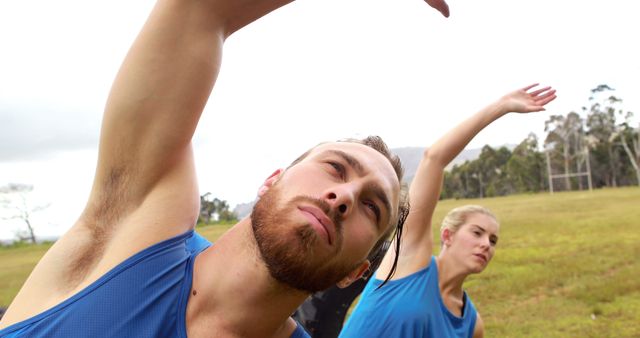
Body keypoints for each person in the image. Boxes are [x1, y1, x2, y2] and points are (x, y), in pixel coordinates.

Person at [0, 0, 461, 336]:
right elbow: (196, 11)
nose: (344, 197)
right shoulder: (133, 228)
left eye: (371, 207)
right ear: (271, 181)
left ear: (356, 274)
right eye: (336, 168)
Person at [338, 84, 557, 338]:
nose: (486, 244)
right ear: (447, 236)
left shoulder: (473, 325)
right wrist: (502, 106)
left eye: (492, 240)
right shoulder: (410, 260)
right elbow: (434, 159)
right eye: (477, 232)